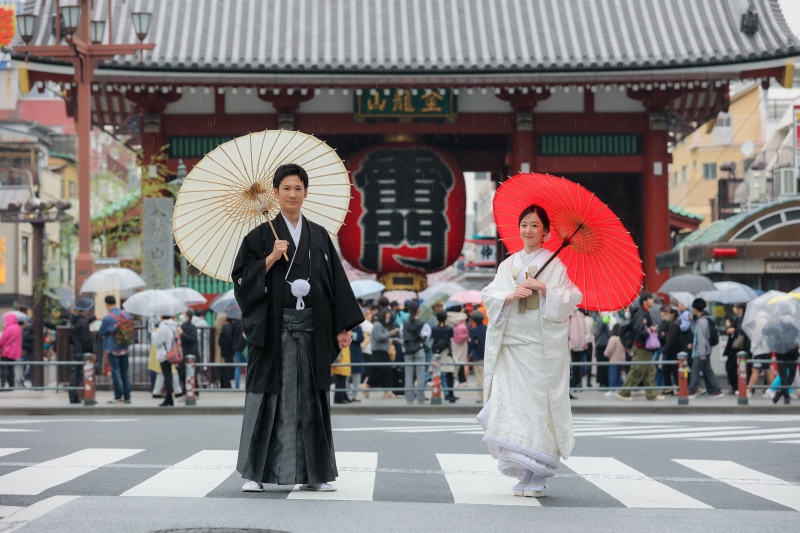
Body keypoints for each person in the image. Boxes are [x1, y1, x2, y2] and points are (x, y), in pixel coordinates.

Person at [232, 163, 363, 493]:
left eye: (298, 189)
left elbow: (335, 284)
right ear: (275, 193)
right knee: (267, 400)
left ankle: (314, 474)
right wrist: (270, 259)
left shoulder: (318, 235)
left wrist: (342, 326)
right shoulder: (261, 236)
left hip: (312, 332)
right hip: (274, 332)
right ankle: (256, 473)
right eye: (286, 189)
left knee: (311, 401)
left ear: (305, 193)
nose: (292, 194)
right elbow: (241, 279)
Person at [478, 204, 582, 498]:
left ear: (546, 231)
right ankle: (524, 472)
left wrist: (544, 288)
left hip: (539, 350)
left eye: (535, 225)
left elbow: (571, 297)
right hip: (511, 347)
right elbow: (490, 295)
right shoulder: (507, 264)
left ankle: (538, 474)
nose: (528, 230)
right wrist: (510, 294)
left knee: (539, 407)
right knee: (512, 406)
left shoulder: (555, 264)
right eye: (524, 224)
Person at [616, 292, 666, 402]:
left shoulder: (644, 313)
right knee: (637, 370)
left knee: (650, 370)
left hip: (644, 347)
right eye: (650, 299)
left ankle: (652, 394)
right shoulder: (641, 314)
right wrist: (649, 331)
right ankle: (624, 392)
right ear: (645, 301)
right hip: (640, 347)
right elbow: (640, 330)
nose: (653, 301)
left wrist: (648, 329)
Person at [97, 295, 133, 405]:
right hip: (125, 347)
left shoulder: (108, 318)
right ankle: (127, 396)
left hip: (113, 347)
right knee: (125, 372)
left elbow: (100, 332)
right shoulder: (125, 314)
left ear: (107, 304)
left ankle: (118, 396)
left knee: (115, 372)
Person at [687, 298, 723, 399]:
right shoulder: (701, 319)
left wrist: (702, 353)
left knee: (695, 370)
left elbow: (702, 339)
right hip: (703, 350)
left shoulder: (702, 321)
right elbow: (696, 332)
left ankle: (691, 390)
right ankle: (714, 389)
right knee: (707, 370)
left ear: (695, 309)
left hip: (701, 351)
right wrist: (692, 322)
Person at [66, 298, 95, 403]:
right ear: (85, 310)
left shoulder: (73, 320)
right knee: (87, 374)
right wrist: (91, 351)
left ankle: (73, 397)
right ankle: (89, 397)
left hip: (75, 350)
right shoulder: (83, 322)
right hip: (83, 351)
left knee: (75, 375)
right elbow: (87, 339)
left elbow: (70, 338)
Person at [401, 302, 430, 404]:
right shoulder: (423, 323)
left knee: (408, 375)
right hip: (419, 349)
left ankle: (409, 399)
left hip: (408, 350)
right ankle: (420, 398)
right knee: (420, 375)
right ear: (418, 310)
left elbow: (402, 335)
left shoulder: (404, 323)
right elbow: (427, 336)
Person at [151, 314, 180, 406]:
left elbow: (157, 342)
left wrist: (154, 333)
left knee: (167, 377)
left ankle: (169, 398)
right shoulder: (174, 325)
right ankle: (170, 398)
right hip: (171, 352)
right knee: (169, 376)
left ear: (161, 316)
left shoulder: (163, 326)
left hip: (164, 354)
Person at [723, 303, 751, 395]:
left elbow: (740, 330)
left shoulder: (744, 319)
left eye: (735, 307)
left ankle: (739, 386)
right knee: (731, 367)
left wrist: (730, 328)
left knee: (736, 367)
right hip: (735, 348)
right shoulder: (737, 319)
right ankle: (736, 386)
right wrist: (729, 327)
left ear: (740, 309)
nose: (733, 309)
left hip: (740, 348)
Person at [370, 308, 398, 398]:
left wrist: (395, 339)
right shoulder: (378, 325)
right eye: (387, 315)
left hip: (383, 351)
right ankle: (366, 385)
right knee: (379, 371)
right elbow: (379, 337)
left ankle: (386, 392)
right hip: (378, 351)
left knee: (387, 372)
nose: (388, 317)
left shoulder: (383, 326)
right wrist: (391, 333)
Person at [431, 310, 457, 402]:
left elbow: (432, 339)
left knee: (437, 374)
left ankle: (439, 394)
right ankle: (450, 395)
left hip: (437, 353)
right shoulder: (449, 329)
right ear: (446, 318)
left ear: (437, 319)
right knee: (450, 374)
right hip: (446, 352)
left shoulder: (434, 329)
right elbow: (451, 339)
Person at [658, 306, 681, 395]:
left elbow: (672, 340)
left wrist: (663, 350)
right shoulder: (671, 324)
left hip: (674, 351)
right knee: (666, 369)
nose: (666, 315)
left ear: (673, 314)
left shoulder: (675, 325)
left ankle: (678, 388)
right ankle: (669, 387)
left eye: (668, 313)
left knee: (674, 370)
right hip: (670, 351)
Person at [0, 313, 23, 390]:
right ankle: (11, 385)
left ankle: (2, 385)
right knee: (11, 369)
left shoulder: (9, 328)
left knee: (3, 368)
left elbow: (3, 339)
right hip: (15, 352)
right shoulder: (18, 327)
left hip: (7, 351)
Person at [469, 311, 487, 404]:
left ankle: (482, 397)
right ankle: (489, 396)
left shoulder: (474, 330)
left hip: (478, 355)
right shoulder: (487, 328)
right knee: (487, 377)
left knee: (480, 378)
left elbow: (472, 343)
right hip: (487, 355)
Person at [179, 311, 198, 395]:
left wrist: (182, 334)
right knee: (183, 372)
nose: (182, 316)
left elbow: (192, 339)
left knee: (191, 372)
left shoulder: (192, 327)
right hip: (183, 352)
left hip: (190, 353)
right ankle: (185, 390)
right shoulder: (182, 326)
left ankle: (194, 391)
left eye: (184, 315)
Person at [568, 308, 587, 391]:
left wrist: (585, 341)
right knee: (574, 365)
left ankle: (578, 382)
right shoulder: (570, 315)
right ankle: (574, 383)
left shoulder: (581, 315)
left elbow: (584, 330)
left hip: (580, 344)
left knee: (579, 365)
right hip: (573, 344)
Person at [604, 323, 626, 394]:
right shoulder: (622, 338)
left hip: (614, 360)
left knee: (612, 375)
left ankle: (612, 390)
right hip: (621, 360)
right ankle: (621, 388)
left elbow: (609, 349)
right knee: (618, 375)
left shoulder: (613, 339)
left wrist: (606, 354)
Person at [594, 313, 611, 390]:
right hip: (601, 345)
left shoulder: (601, 320)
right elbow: (599, 331)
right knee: (602, 365)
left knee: (603, 365)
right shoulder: (599, 320)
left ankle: (603, 381)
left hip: (603, 344)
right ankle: (602, 382)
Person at [218, 318, 236, 389]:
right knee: (228, 367)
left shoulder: (224, 327)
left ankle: (225, 383)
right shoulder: (229, 327)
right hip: (228, 350)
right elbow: (229, 339)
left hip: (224, 350)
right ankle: (226, 384)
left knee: (226, 367)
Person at [232, 318, 247, 390]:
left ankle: (237, 386)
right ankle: (247, 386)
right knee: (248, 367)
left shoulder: (236, 323)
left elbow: (233, 335)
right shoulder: (248, 322)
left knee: (238, 367)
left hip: (237, 347)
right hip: (246, 348)